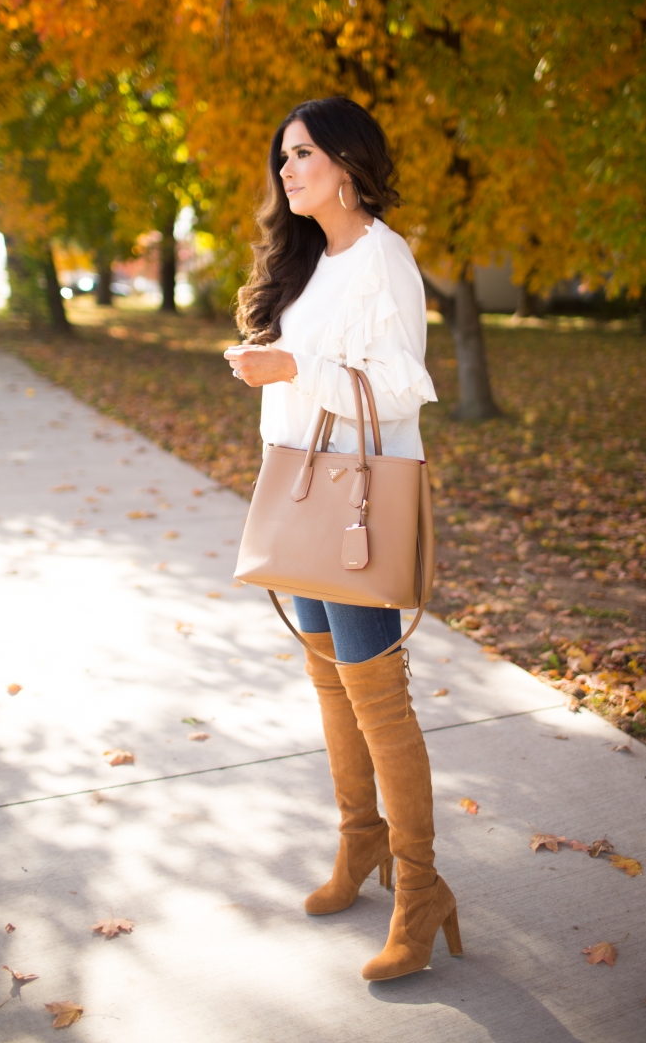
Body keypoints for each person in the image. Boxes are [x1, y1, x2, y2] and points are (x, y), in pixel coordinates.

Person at [224, 97, 461, 981]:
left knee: (377, 699)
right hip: (306, 496)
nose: (287, 170)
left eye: (304, 154)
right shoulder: (311, 262)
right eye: (282, 156)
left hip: (357, 508)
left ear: (349, 164)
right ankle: (359, 846)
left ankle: (421, 888)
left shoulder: (383, 256)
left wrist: (293, 365)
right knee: (332, 688)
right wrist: (269, 366)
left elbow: (402, 384)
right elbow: (315, 381)